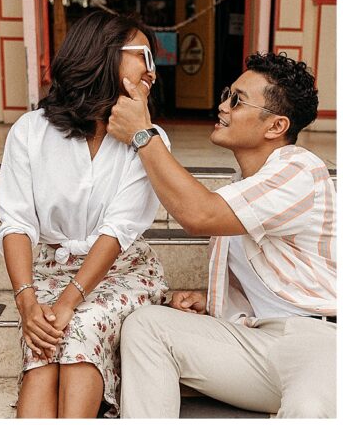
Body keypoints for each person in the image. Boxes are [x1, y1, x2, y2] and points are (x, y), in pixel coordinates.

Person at [109, 51, 336, 418]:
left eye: (237, 100)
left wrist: (143, 135)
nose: (222, 106)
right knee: (147, 325)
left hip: (320, 343)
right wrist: (208, 299)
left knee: (307, 412)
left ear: (276, 127)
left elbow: (198, 214)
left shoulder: (300, 169)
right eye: (226, 93)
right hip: (257, 343)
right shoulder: (242, 186)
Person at [0, 12, 168, 418]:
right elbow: (16, 222)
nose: (152, 71)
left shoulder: (149, 141)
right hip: (50, 269)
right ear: (103, 55)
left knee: (81, 323)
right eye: (142, 55)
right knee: (43, 340)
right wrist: (26, 302)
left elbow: (118, 231)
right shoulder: (30, 131)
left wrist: (70, 301)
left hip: (124, 271)